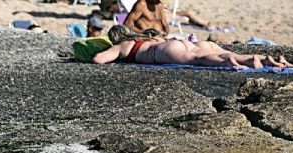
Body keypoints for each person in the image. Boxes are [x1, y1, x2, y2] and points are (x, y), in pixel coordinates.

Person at [93, 35, 291, 68]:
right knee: (216, 51)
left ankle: (228, 63)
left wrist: (108, 48)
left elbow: (99, 60)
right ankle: (264, 59)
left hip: (163, 50)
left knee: (197, 59)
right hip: (178, 40)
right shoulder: (148, 36)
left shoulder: (123, 45)